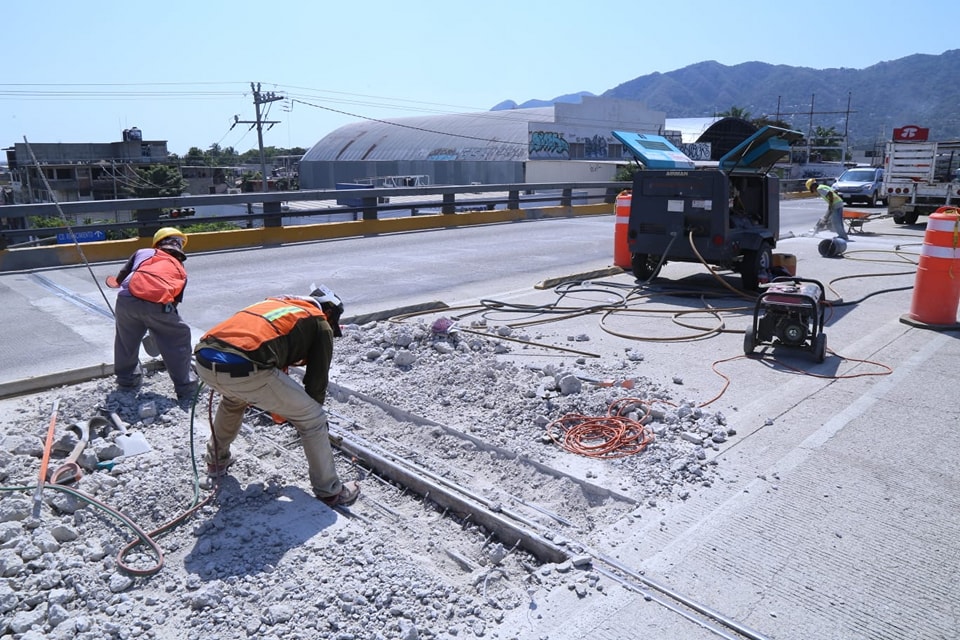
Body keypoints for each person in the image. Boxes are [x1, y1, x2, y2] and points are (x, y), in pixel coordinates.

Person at [192, 284, 360, 508]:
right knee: (313, 419)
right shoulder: (319, 321)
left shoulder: (276, 305)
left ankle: (215, 462)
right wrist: (307, 414)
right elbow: (316, 383)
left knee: (233, 401)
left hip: (204, 359)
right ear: (329, 312)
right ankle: (329, 491)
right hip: (246, 367)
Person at [110, 227, 197, 410]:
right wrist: (158, 325)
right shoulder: (179, 268)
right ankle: (186, 387)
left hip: (126, 300)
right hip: (157, 305)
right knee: (178, 336)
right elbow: (173, 304)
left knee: (126, 340)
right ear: (180, 248)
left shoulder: (142, 252)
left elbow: (122, 276)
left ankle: (126, 380)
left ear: (157, 244)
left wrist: (116, 283)